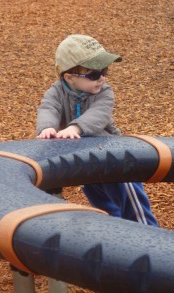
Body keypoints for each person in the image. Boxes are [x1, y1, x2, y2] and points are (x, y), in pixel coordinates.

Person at [36, 34, 158, 226]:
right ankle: (118, 233)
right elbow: (48, 108)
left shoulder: (105, 92)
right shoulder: (55, 91)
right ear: (69, 77)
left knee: (131, 201)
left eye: (104, 71)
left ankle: (149, 232)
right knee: (105, 206)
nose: (101, 78)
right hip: (87, 163)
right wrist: (48, 127)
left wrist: (75, 127)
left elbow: (99, 114)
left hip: (114, 159)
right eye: (93, 74)